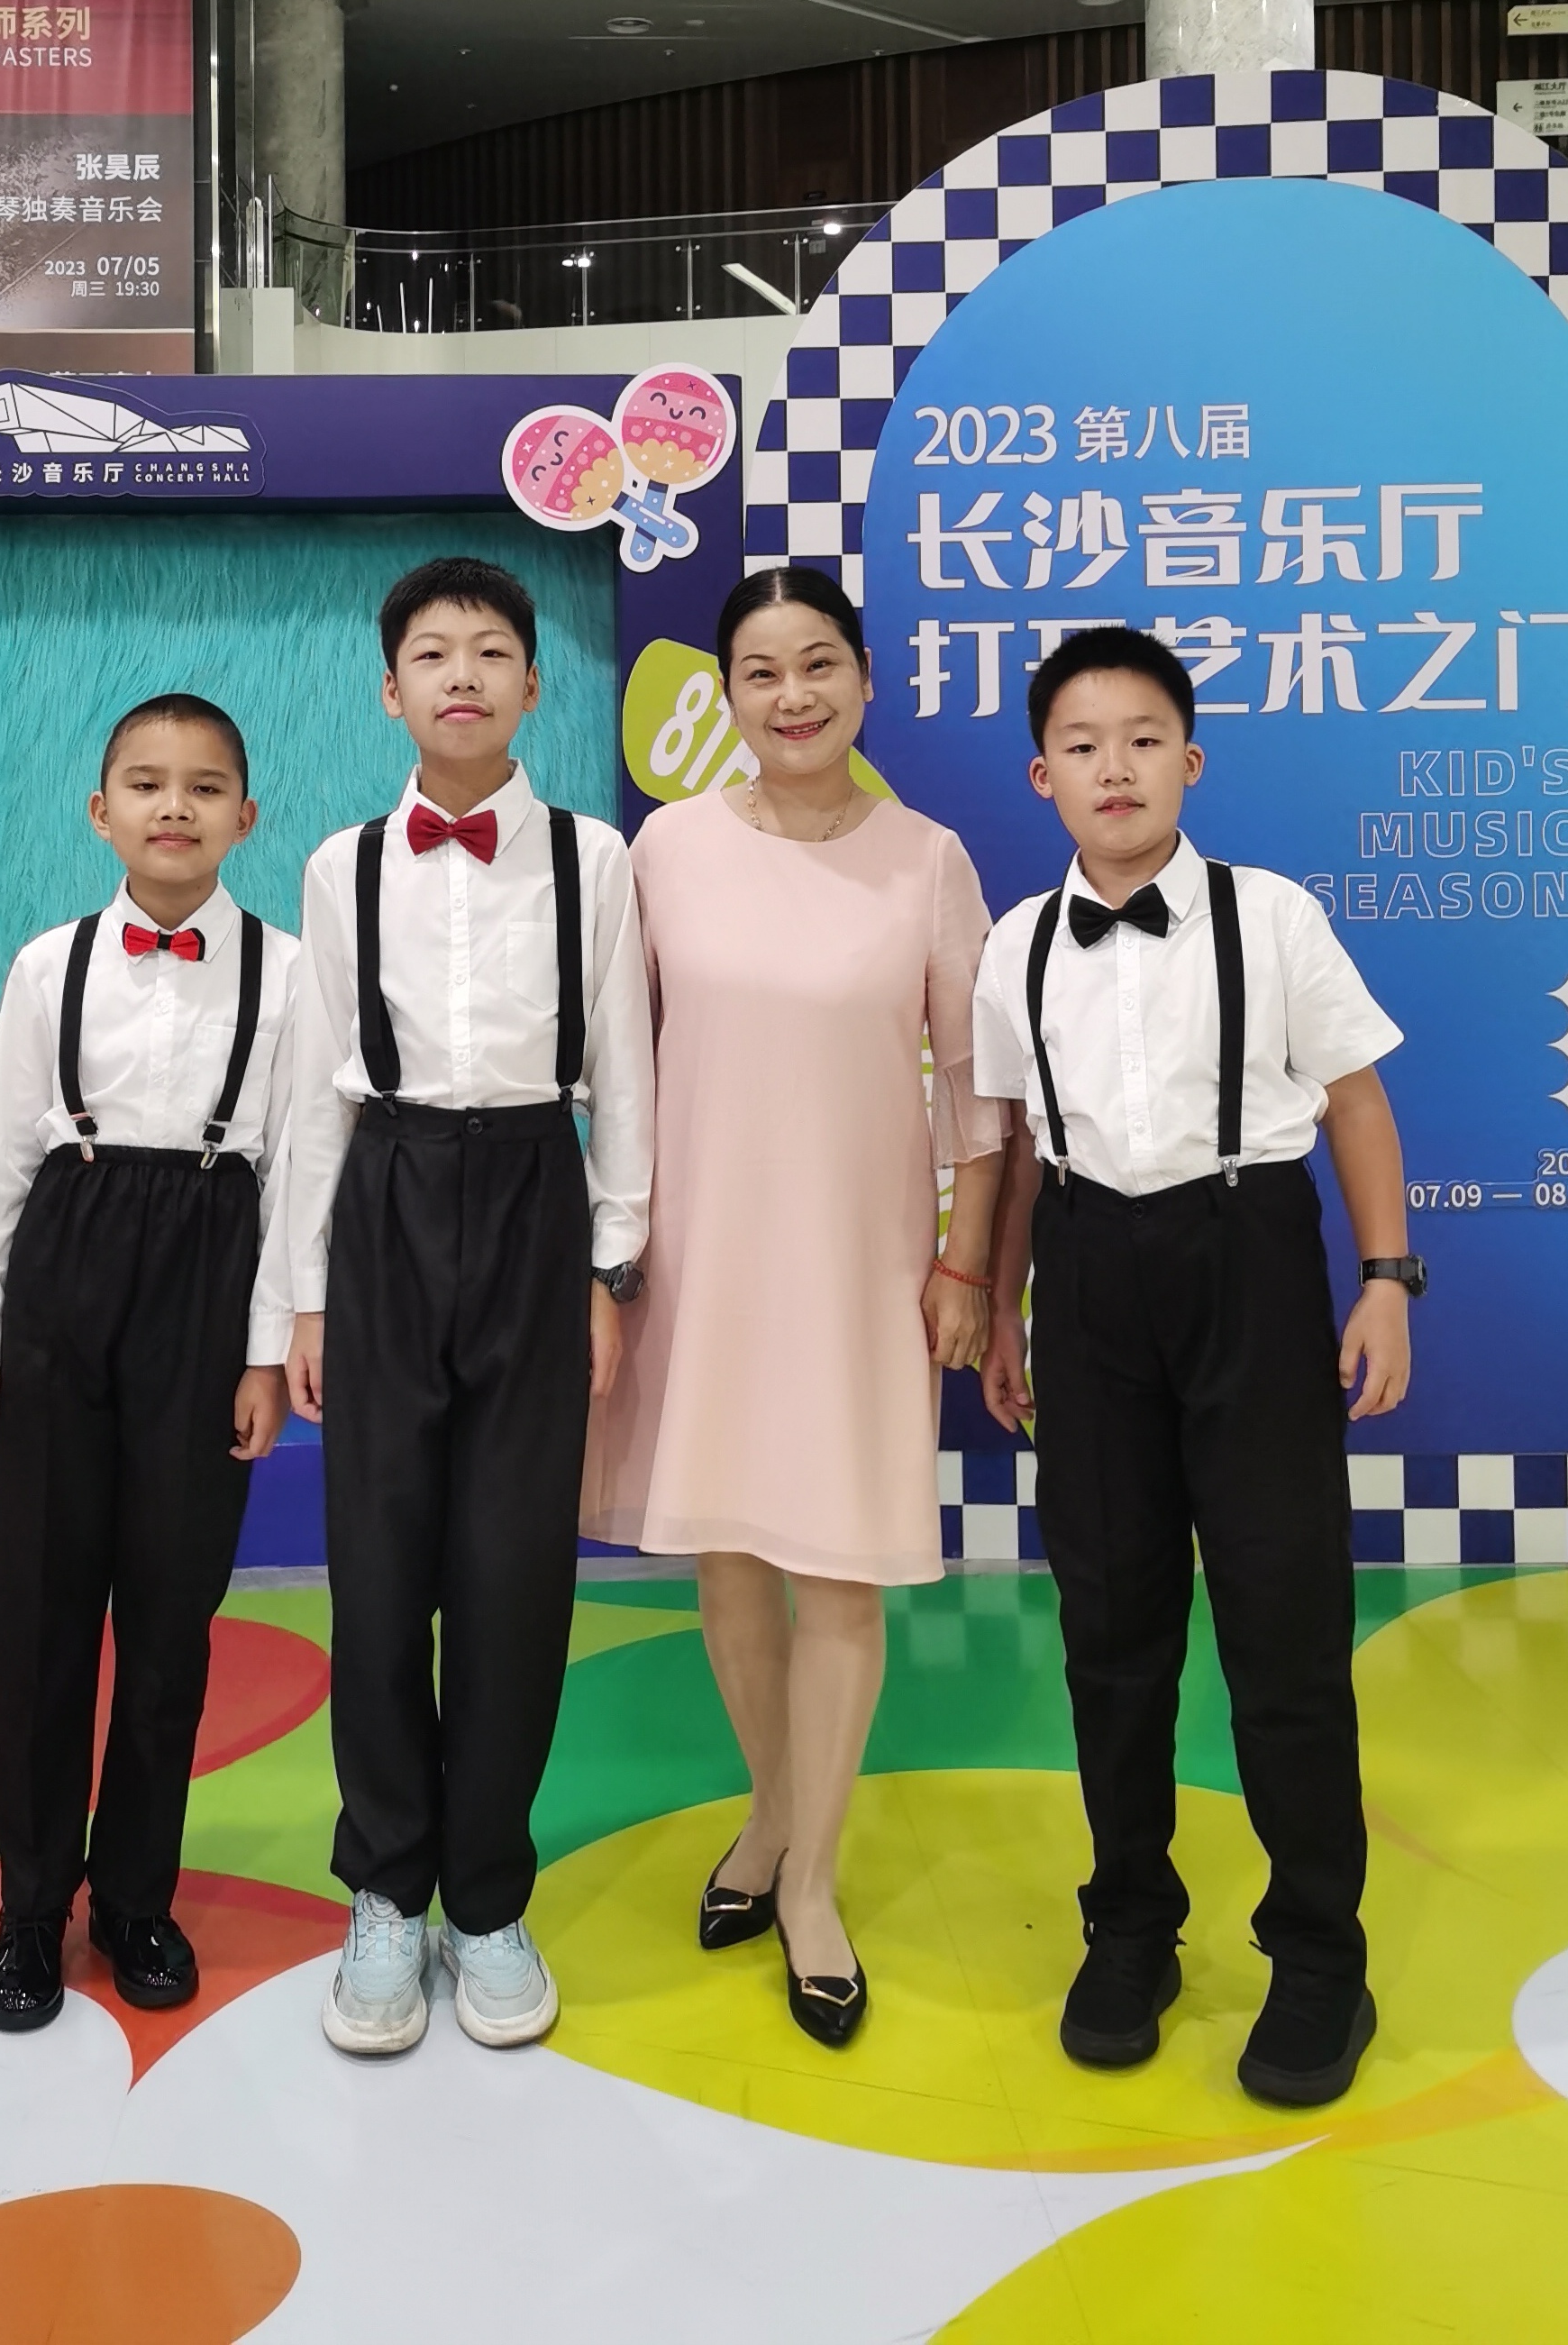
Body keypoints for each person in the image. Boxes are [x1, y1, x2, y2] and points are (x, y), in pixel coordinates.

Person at [975, 626, 1418, 2110]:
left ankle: (1318, 1953)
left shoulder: (1272, 916)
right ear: (1041, 776)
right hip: (1086, 1275)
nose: (1114, 766)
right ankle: (1128, 1929)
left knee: (1283, 1625)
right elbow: (1015, 1148)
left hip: (1248, 1260)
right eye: (1081, 744)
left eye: (1143, 738)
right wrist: (1000, 1308)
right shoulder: (1014, 946)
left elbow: (1355, 1100)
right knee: (1110, 1628)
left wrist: (1385, 1280)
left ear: (1190, 759)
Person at [590, 565, 1005, 2048]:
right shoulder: (667, 849)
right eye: (760, 672)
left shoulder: (927, 861)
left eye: (819, 663)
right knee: (728, 1558)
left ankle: (811, 1884)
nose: (792, 695)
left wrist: (964, 1267)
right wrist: (610, 1254)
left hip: (858, 1264)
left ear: (865, 680)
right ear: (726, 696)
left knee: (835, 1571)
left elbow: (976, 1094)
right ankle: (770, 1818)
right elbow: (618, 1063)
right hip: (702, 1255)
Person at [277, 556, 653, 2058]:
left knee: (512, 1568)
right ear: (390, 692)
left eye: (491, 651)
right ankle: (385, 1888)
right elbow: (314, 1092)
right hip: (383, 1195)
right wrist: (305, 1298)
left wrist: (609, 1267)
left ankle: (487, 1896)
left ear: (531, 687)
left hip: (532, 1196)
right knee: (376, 1566)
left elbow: (624, 1069)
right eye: (431, 653)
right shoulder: (342, 864)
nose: (461, 674)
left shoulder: (592, 858)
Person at [0, 693, 298, 2032]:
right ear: (102, 812)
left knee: (168, 1614)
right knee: (40, 1611)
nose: (173, 807)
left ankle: (139, 1895)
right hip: (66, 1268)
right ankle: (30, 1905)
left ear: (244, 817)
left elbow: (298, 1180)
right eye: (146, 783)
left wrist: (264, 1355)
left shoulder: (290, 972)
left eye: (203, 787)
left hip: (209, 1268)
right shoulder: (50, 965)